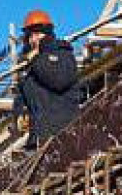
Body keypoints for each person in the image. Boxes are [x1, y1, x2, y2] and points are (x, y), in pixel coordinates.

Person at [15, 9, 80, 147]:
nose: (33, 40)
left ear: (48, 34)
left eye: (38, 34)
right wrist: (19, 114)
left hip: (64, 132)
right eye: (30, 36)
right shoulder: (29, 69)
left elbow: (58, 81)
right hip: (39, 137)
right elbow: (22, 96)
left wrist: (37, 59)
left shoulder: (62, 55)